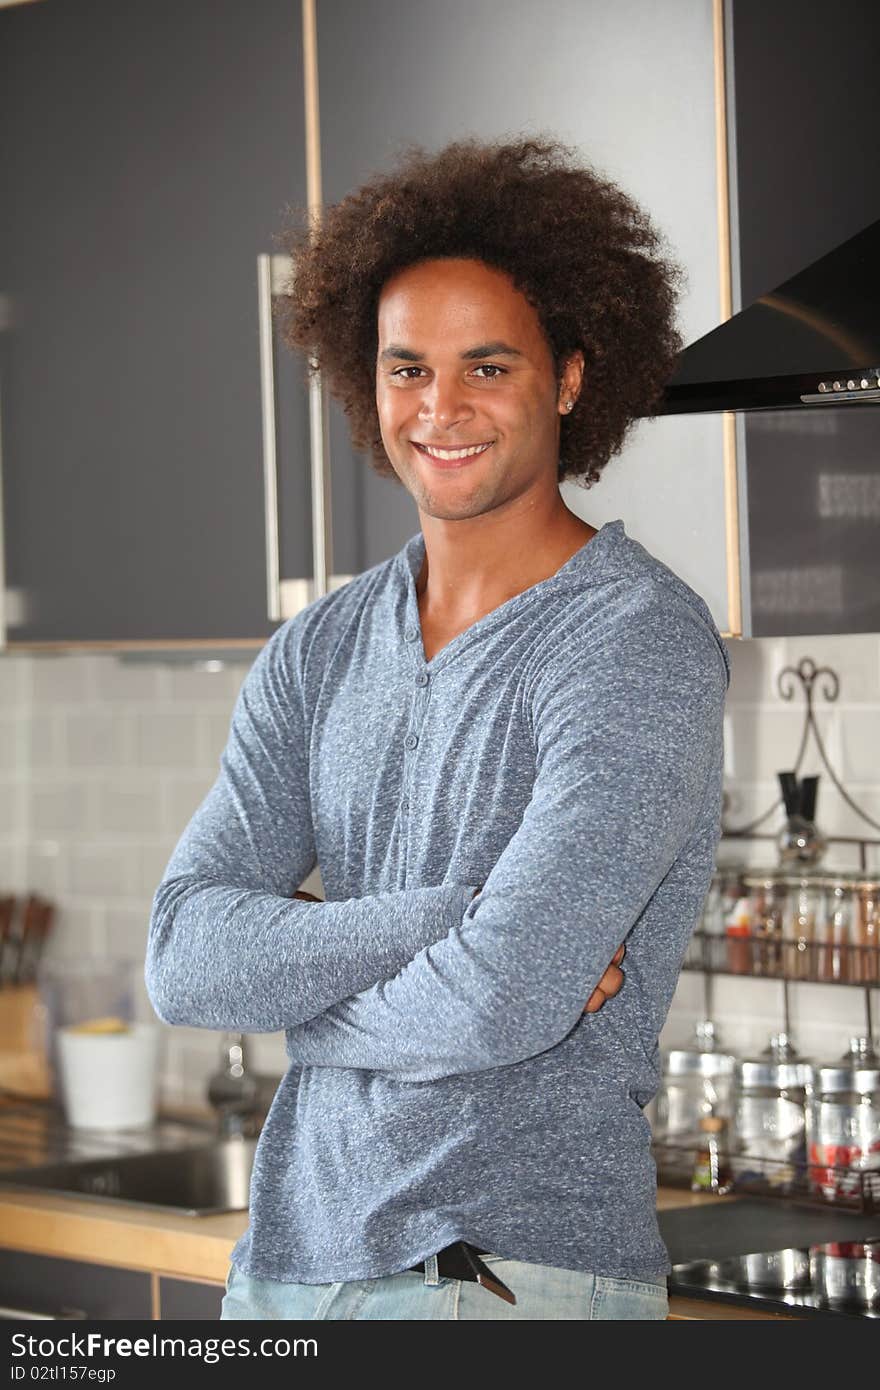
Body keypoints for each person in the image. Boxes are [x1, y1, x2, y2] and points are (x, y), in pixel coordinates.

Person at [145, 136, 730, 1321]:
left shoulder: (634, 641)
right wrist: (453, 919)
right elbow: (185, 958)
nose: (440, 409)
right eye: (406, 368)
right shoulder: (321, 645)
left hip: (506, 1274)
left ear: (569, 376)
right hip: (290, 1263)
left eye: (486, 366)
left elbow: (499, 1005)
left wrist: (298, 996)